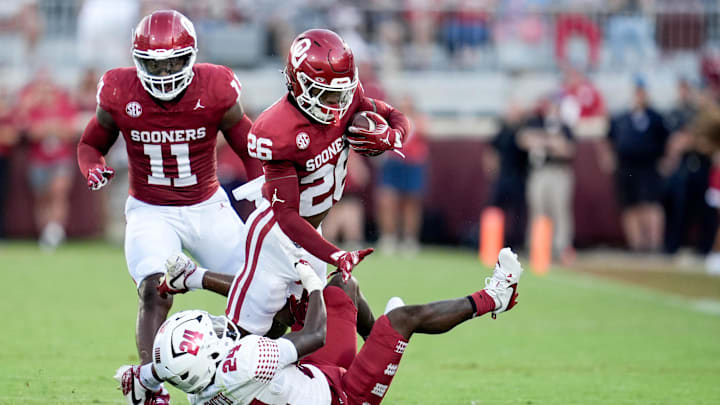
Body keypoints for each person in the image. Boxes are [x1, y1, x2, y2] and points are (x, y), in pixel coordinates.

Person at [76, 10, 262, 402]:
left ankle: (235, 370)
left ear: (191, 56)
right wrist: (93, 166)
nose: (164, 72)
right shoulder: (118, 90)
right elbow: (90, 143)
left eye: (174, 61)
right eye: (153, 64)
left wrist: (262, 193)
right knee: (153, 290)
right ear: (136, 60)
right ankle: (148, 385)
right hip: (150, 210)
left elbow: (249, 148)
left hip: (208, 206)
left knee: (260, 293)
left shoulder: (215, 87)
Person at [115, 247, 524, 404]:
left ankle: (379, 344)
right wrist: (310, 280)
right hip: (344, 395)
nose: (217, 329)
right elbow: (314, 335)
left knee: (338, 287)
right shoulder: (244, 361)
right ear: (212, 357)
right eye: (211, 337)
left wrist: (143, 383)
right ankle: (496, 298)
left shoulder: (197, 383)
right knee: (401, 318)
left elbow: (156, 371)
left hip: (310, 377)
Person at [224, 29, 409, 337]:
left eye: (342, 93)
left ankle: (381, 345)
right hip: (276, 236)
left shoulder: (345, 96)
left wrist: (393, 136)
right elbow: (287, 217)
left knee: (305, 330)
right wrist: (336, 254)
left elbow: (393, 115)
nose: (337, 103)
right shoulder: (276, 130)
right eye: (326, 93)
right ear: (299, 84)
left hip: (312, 233)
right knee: (243, 338)